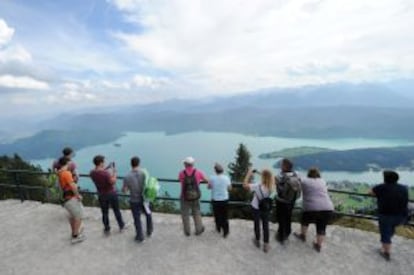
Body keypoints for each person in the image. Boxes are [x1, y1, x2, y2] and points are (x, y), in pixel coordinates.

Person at [369, 170, 409, 261]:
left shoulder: (382, 187)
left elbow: (370, 192)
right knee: (390, 230)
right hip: (401, 216)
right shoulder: (403, 188)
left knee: (385, 234)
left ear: (385, 179)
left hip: (386, 215)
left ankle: (386, 252)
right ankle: (386, 244)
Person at [293, 167, 334, 252]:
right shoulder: (322, 181)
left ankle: (302, 235)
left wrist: (295, 172)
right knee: (321, 226)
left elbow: (297, 178)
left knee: (305, 220)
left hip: (311, 207)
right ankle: (318, 245)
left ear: (308, 174)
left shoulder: (305, 180)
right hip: (327, 208)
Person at [90, 155, 127, 235]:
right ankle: (121, 226)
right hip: (111, 194)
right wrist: (114, 172)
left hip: (101, 194)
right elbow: (113, 181)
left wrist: (105, 170)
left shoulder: (92, 172)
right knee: (116, 210)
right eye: (103, 162)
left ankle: (107, 229)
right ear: (100, 163)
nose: (104, 163)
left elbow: (99, 174)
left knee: (105, 212)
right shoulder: (105, 173)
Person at [243, 168, 275, 253]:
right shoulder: (271, 186)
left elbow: (245, 185)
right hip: (266, 208)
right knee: (265, 226)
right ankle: (266, 245)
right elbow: (269, 178)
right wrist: (260, 173)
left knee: (257, 224)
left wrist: (249, 174)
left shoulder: (257, 186)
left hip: (256, 207)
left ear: (263, 177)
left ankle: (257, 241)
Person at [122, 156, 153, 243]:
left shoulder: (127, 176)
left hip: (134, 200)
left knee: (137, 218)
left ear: (131, 164)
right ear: (139, 163)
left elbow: (124, 190)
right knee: (148, 214)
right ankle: (149, 231)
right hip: (144, 199)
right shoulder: (144, 173)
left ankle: (140, 236)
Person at [57, 156, 85, 244]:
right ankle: (76, 236)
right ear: (67, 163)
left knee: (72, 216)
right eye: (70, 162)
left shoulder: (59, 172)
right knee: (79, 216)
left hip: (65, 198)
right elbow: (73, 186)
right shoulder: (66, 173)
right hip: (71, 198)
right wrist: (78, 196)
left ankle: (74, 233)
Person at [178, 156, 208, 236]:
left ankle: (187, 232)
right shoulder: (198, 172)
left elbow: (180, 181)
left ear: (185, 164)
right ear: (193, 164)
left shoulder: (181, 173)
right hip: (195, 197)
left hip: (184, 197)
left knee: (185, 214)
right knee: (197, 213)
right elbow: (206, 180)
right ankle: (199, 230)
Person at [275, 158, 301, 244]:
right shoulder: (296, 174)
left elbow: (279, 189)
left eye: (282, 164)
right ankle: (288, 232)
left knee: (281, 218)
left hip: (282, 201)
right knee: (288, 216)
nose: (280, 166)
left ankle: (281, 236)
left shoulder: (281, 176)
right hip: (291, 200)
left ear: (285, 167)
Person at [207, 163, 232, 238]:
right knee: (224, 216)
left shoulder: (212, 178)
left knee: (217, 215)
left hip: (215, 199)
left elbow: (208, 187)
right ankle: (226, 232)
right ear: (222, 170)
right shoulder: (226, 178)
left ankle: (218, 228)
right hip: (224, 199)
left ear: (215, 171)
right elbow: (230, 188)